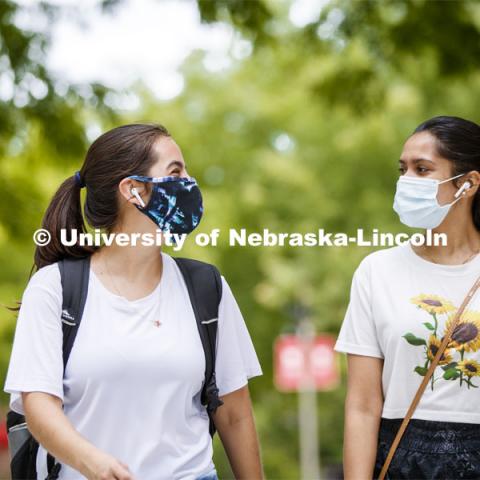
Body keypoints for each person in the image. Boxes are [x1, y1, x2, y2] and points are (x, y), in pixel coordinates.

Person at [3, 123, 264, 480]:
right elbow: (38, 406)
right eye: (176, 171)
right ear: (134, 191)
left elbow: (235, 414)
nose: (190, 181)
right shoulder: (54, 289)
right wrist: (90, 461)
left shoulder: (206, 288)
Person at [334, 116, 480, 479]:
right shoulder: (377, 271)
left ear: (468, 183)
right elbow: (363, 406)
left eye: (422, 169)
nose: (406, 181)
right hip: (403, 461)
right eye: (403, 169)